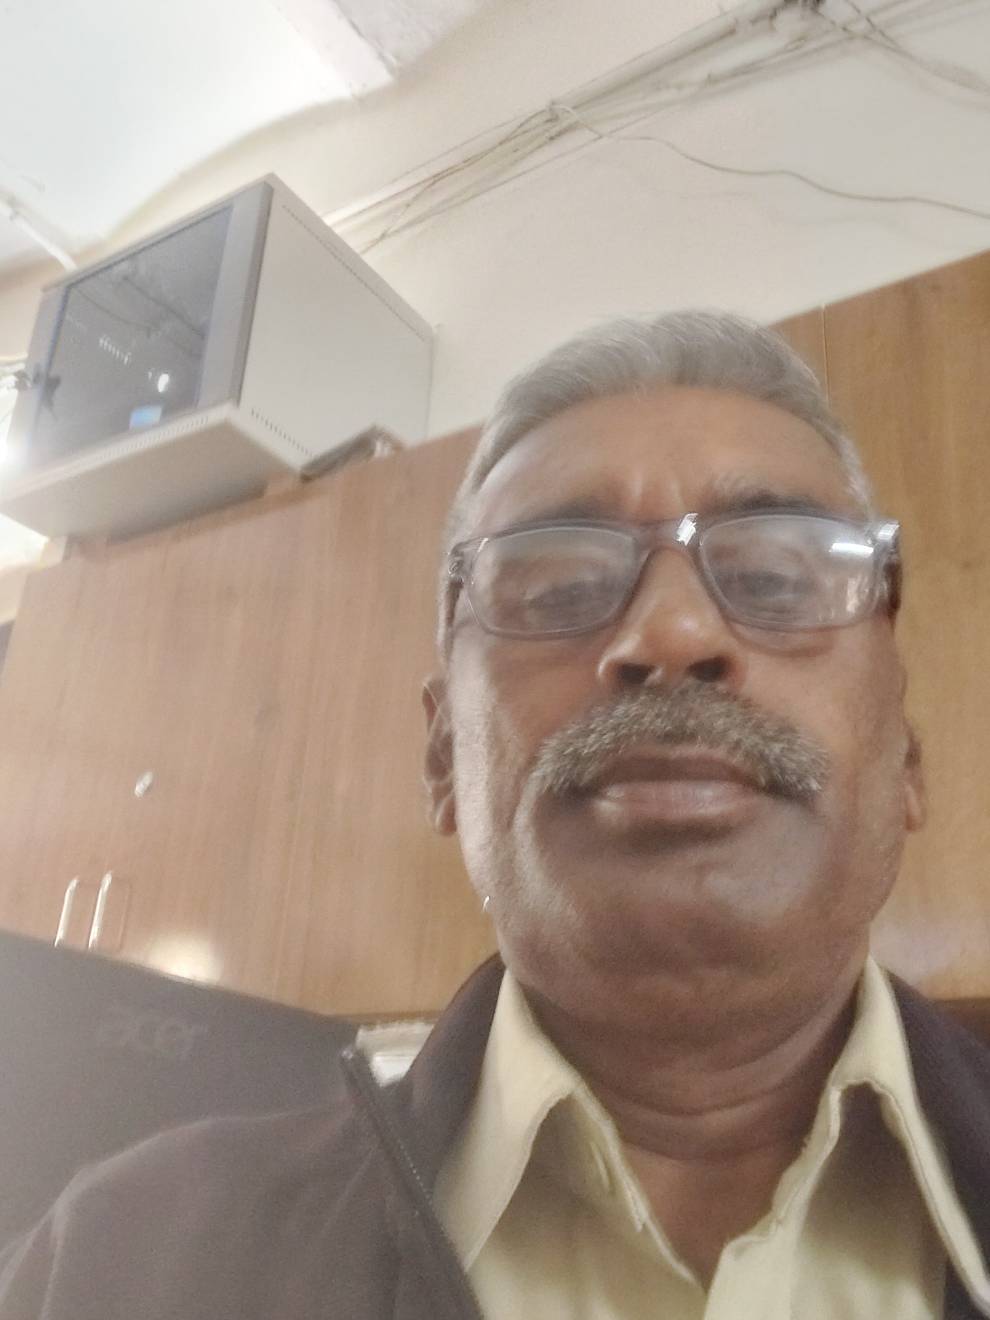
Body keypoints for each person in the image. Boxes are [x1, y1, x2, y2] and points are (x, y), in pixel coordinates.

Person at [2, 311, 989, 1320]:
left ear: (906, 763)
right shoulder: (123, 1262)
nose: (672, 630)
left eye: (776, 579)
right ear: (443, 761)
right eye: (557, 589)